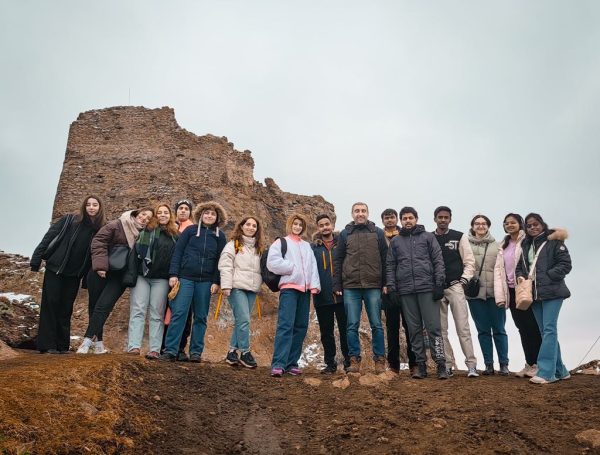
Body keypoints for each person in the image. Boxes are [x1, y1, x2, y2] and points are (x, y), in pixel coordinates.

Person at [30, 196, 105, 354]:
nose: (91, 208)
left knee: (66, 308)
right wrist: (36, 258)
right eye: (88, 205)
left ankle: (62, 345)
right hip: (56, 268)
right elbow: (49, 237)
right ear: (84, 207)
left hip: (74, 274)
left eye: (95, 205)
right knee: (51, 304)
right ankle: (47, 345)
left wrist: (86, 279)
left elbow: (94, 255)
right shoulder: (69, 220)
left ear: (100, 208)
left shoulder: (99, 229)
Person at [77, 207, 154, 354]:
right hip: (102, 271)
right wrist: (100, 266)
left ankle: (86, 342)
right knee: (95, 306)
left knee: (104, 306)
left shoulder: (144, 235)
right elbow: (99, 241)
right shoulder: (118, 224)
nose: (145, 218)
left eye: (149, 218)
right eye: (144, 214)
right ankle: (98, 344)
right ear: (137, 213)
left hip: (120, 275)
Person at [159, 201, 227, 362]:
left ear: (217, 217)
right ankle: (170, 350)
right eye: (207, 213)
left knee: (201, 317)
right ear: (201, 215)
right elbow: (178, 252)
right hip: (186, 278)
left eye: (213, 214)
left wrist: (216, 281)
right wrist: (174, 274)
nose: (209, 216)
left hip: (205, 281)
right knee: (179, 314)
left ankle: (196, 352)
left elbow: (221, 260)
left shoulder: (220, 236)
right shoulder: (189, 231)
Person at [385, 207, 448, 379]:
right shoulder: (396, 242)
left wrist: (439, 284)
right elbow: (390, 266)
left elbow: (438, 260)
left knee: (434, 328)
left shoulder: (428, 237)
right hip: (406, 292)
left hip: (427, 289)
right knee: (414, 330)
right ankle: (420, 365)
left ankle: (441, 364)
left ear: (416, 218)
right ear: (401, 221)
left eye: (410, 218)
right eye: (404, 218)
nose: (407, 221)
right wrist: (392, 288)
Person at [516, 213, 572, 384]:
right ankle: (560, 370)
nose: (533, 227)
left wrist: (548, 276)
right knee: (545, 332)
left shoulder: (554, 242)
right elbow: (520, 267)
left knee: (548, 330)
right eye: (529, 226)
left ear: (542, 224)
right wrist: (520, 277)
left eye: (536, 224)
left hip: (553, 293)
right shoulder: (525, 245)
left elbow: (566, 264)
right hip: (534, 295)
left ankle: (546, 373)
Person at [333, 202, 387, 374]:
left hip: (373, 285)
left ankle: (379, 360)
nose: (360, 213)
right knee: (351, 325)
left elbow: (385, 259)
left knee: (377, 325)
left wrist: (386, 283)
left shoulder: (377, 232)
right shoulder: (344, 234)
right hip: (351, 286)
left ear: (368, 213)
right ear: (352, 214)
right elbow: (338, 259)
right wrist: (337, 284)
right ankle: (354, 360)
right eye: (357, 211)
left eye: (363, 211)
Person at [267, 214, 320, 377]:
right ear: (290, 225)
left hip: (304, 291)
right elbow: (272, 263)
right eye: (295, 224)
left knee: (300, 326)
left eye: (300, 225)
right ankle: (278, 364)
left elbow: (313, 266)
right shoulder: (281, 242)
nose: (297, 227)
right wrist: (293, 268)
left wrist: (314, 285)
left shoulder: (306, 246)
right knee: (285, 325)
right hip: (289, 289)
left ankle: (291, 363)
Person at [126, 203, 178, 359]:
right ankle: (134, 346)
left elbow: (176, 258)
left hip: (161, 279)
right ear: (156, 215)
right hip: (143, 276)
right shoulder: (146, 231)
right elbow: (135, 254)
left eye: (166, 213)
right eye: (159, 212)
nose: (162, 215)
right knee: (138, 310)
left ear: (170, 216)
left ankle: (154, 349)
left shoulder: (175, 236)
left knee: (157, 313)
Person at [494, 213, 542, 378]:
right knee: (522, 328)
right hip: (511, 290)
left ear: (520, 224)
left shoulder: (526, 241)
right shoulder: (504, 245)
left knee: (533, 327)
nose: (510, 225)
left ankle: (538, 364)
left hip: (525, 288)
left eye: (513, 222)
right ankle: (529, 364)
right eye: (506, 223)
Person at [433, 206, 478, 377]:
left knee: (463, 327)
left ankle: (471, 364)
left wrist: (464, 280)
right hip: (437, 289)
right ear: (435, 218)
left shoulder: (459, 237)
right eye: (440, 217)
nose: (443, 219)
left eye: (446, 217)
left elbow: (469, 261)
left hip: (455, 286)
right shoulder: (429, 238)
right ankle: (448, 364)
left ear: (450, 219)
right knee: (441, 329)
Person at [218, 216, 264, 369]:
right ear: (241, 226)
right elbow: (225, 265)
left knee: (241, 321)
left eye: (254, 226)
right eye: (248, 224)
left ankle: (232, 352)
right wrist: (226, 286)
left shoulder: (258, 248)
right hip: (236, 287)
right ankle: (245, 352)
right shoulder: (233, 245)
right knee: (244, 319)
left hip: (252, 289)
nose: (251, 227)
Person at [467, 215, 507, 376]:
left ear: (488, 226)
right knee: (482, 330)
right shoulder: (465, 244)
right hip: (475, 294)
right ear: (472, 226)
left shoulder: (497, 245)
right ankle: (488, 364)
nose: (480, 226)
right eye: (477, 223)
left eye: (484, 224)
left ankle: (504, 364)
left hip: (495, 293)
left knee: (499, 329)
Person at [311, 213, 350, 374]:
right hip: (322, 296)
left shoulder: (342, 243)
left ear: (332, 225)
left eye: (327, 224)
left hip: (342, 295)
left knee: (345, 330)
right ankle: (330, 363)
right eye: (321, 225)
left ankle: (349, 362)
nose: (325, 227)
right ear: (318, 228)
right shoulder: (313, 247)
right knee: (326, 333)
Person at [380, 208, 417, 375]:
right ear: (383, 221)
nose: (389, 220)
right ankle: (393, 365)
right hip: (387, 288)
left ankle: (414, 363)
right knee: (391, 327)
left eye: (392, 217)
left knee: (410, 326)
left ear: (397, 219)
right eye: (386, 218)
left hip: (407, 286)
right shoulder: (378, 237)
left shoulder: (406, 235)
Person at [161, 199, 195, 361]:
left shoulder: (194, 230)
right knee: (166, 311)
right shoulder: (170, 228)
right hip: (167, 275)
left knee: (184, 313)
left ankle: (180, 347)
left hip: (184, 277)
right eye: (180, 208)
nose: (183, 211)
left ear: (190, 212)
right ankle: (165, 346)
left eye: (186, 209)